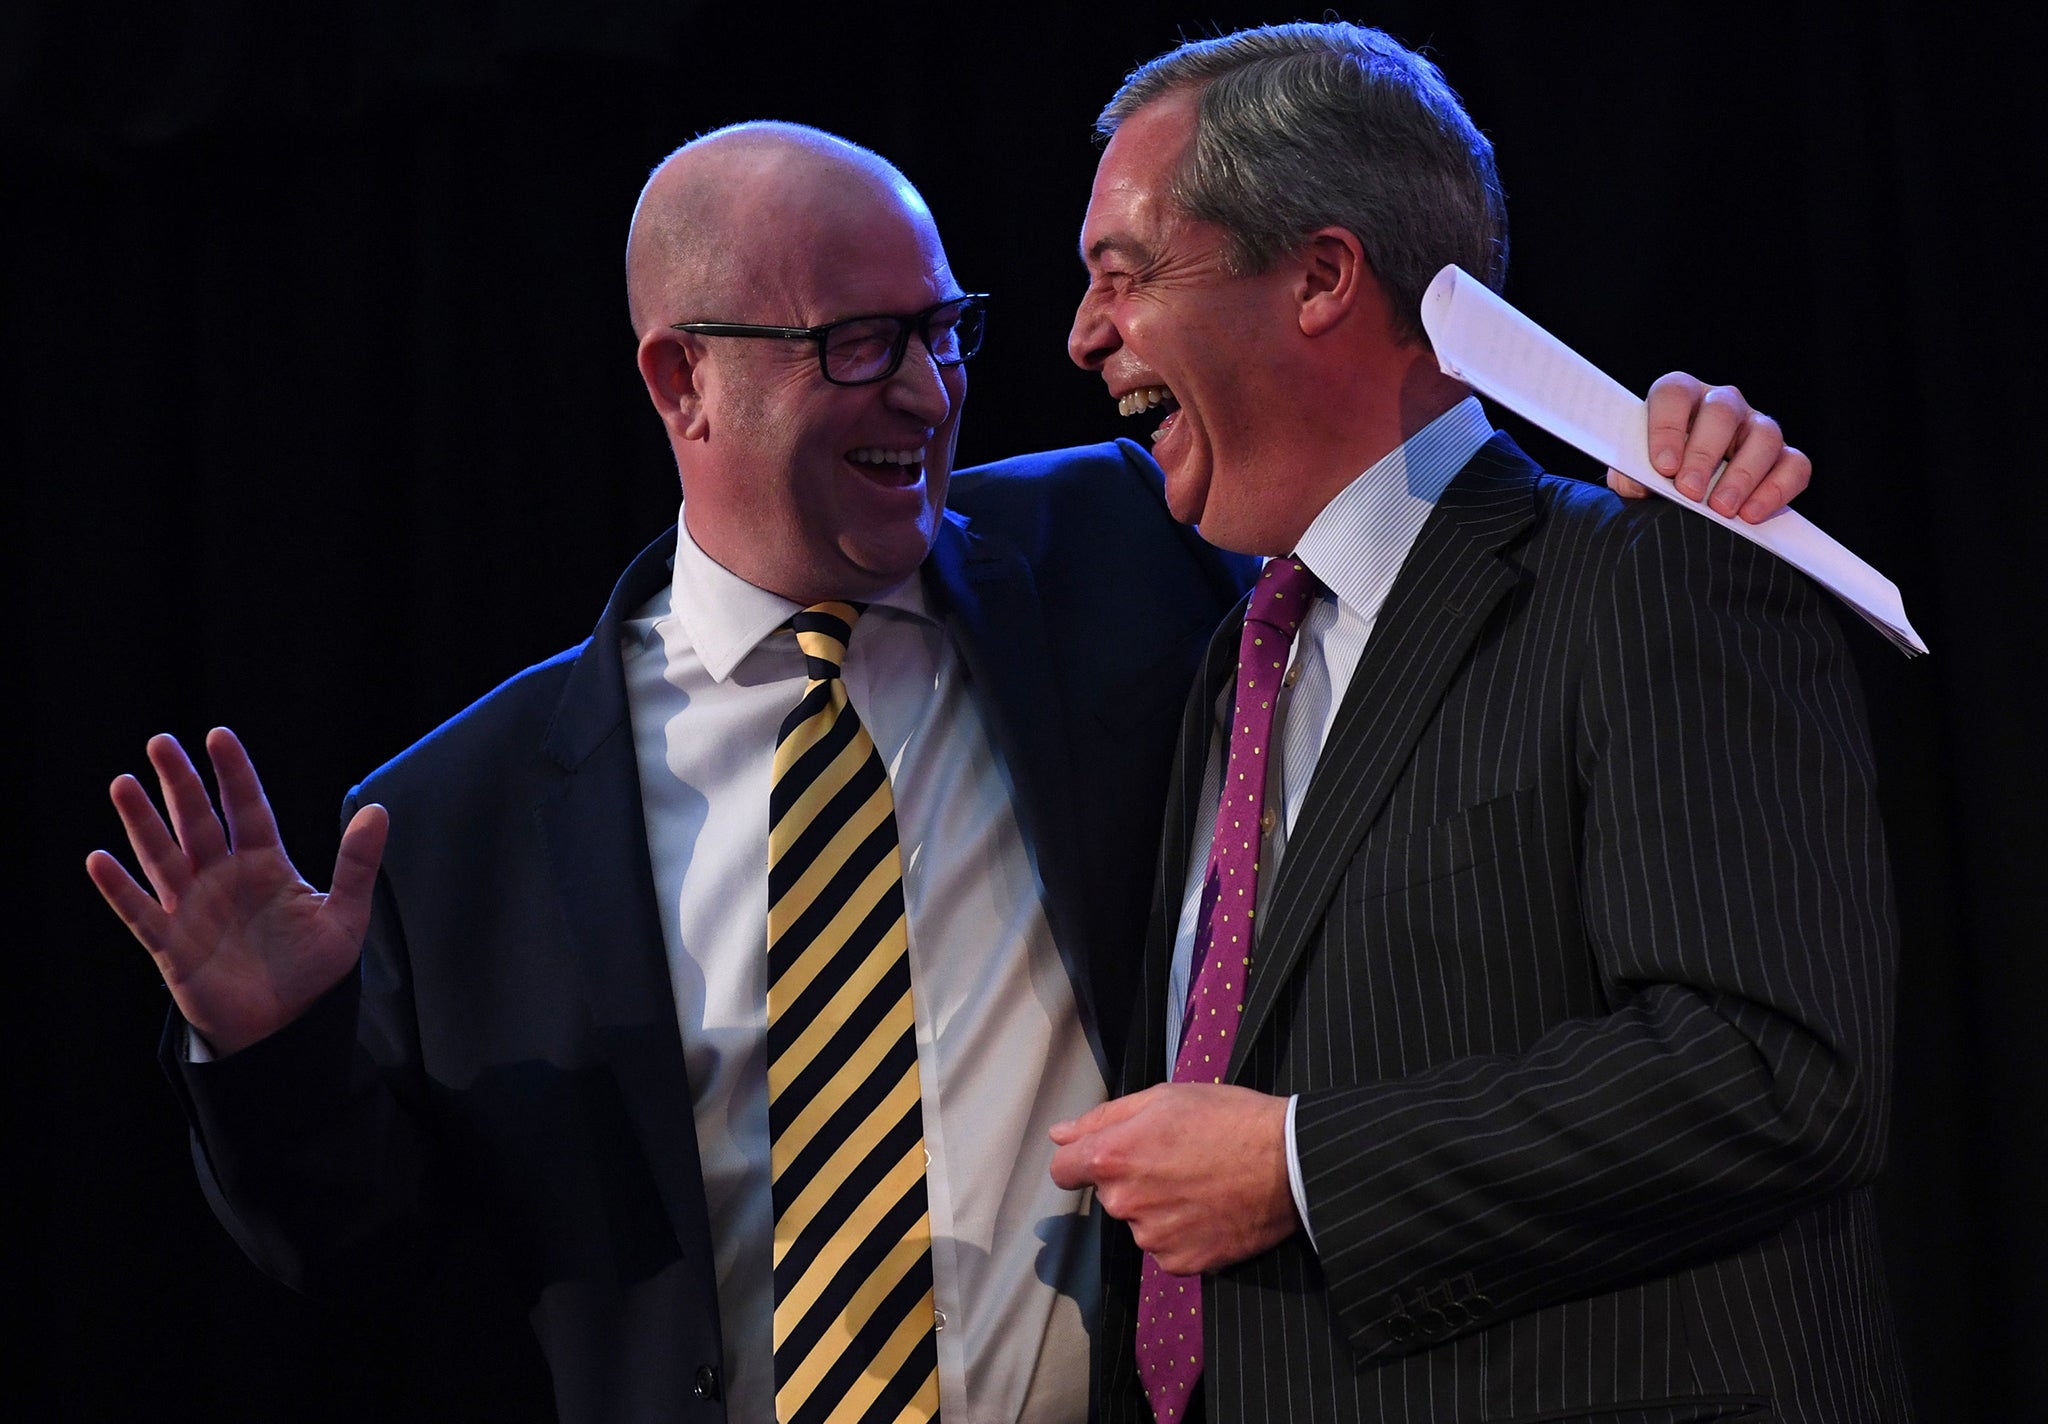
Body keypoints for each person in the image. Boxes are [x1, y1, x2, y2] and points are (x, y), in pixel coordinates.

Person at [89, 121, 1806, 1424]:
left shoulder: (1132, 553)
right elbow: (356, 1262)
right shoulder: (457, 819)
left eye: (942, 328)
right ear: (682, 380)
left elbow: (1402, 489)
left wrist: (1642, 449)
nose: (927, 389)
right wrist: (269, 1052)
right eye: (856, 344)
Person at [1048, 22, 1908, 1423]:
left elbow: (1777, 1071)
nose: (1085, 334)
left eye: (1127, 276)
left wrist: (1303, 1166)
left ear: (1321, 275)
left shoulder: (1657, 571)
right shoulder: (1234, 663)